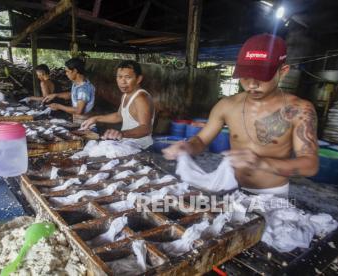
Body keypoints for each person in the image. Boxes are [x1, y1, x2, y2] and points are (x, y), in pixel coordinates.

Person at [163, 34, 319, 197]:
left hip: (271, 194)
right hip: (230, 190)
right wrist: (187, 147)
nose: (252, 84)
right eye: (245, 75)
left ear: (283, 71)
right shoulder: (227, 105)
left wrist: (261, 163)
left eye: (262, 76)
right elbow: (201, 140)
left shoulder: (299, 109)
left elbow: (310, 165)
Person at [81, 60, 154, 149]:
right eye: (119, 77)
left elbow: (146, 128)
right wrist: (96, 118)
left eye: (128, 77)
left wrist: (121, 133)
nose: (122, 82)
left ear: (138, 79)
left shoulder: (141, 98)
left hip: (141, 146)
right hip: (127, 142)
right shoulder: (126, 95)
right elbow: (119, 116)